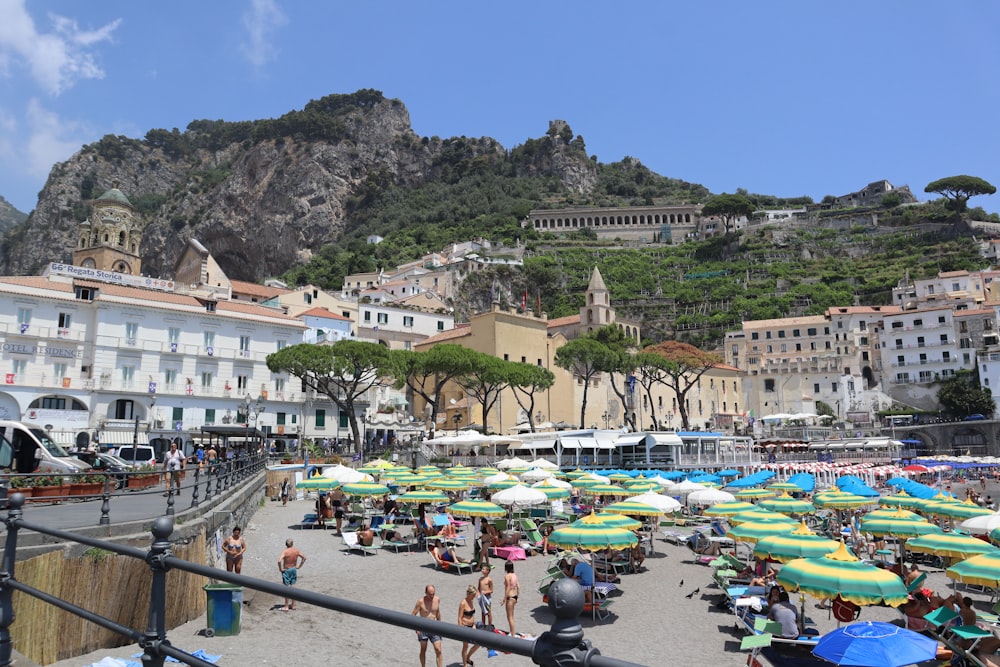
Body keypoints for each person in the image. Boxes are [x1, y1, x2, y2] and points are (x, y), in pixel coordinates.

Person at [412, 584, 443, 667]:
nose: (432, 596)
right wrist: (416, 628)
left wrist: (440, 623)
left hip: (435, 627)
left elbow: (437, 611)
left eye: (433, 594)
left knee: (438, 650)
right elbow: (413, 614)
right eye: (430, 594)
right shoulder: (420, 601)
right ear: (425, 592)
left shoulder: (437, 599)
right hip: (423, 628)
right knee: (423, 650)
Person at [277, 538, 306, 611]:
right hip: (293, 569)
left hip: (287, 570)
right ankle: (293, 605)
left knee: (286, 588)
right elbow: (304, 558)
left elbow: (279, 561)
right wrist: (299, 566)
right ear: (292, 544)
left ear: (286, 544)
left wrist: (280, 569)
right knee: (293, 587)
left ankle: (286, 606)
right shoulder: (296, 551)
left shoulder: (285, 552)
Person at [458, 585, 480, 667]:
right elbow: (459, 617)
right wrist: (461, 629)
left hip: (472, 626)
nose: (474, 596)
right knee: (465, 646)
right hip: (465, 626)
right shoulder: (463, 603)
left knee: (478, 643)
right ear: (469, 594)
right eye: (473, 595)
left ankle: (468, 657)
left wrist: (474, 624)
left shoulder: (471, 601)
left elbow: (472, 615)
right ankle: (465, 665)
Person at [503, 561, 520, 636]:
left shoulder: (507, 576)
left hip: (510, 597)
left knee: (509, 617)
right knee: (512, 616)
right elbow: (518, 586)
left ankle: (513, 634)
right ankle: (512, 632)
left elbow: (508, 588)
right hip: (515, 596)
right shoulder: (514, 575)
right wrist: (518, 597)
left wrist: (504, 598)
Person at [477, 563, 494, 627]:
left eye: (484, 569)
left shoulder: (489, 580)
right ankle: (483, 624)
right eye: (482, 569)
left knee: (489, 612)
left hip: (487, 598)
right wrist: (478, 594)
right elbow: (478, 588)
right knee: (483, 611)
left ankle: (490, 625)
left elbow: (491, 590)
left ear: (488, 571)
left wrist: (486, 592)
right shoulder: (480, 579)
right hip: (481, 597)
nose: (482, 570)